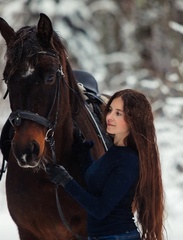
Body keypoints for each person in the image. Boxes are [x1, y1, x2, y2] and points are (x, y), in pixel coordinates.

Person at [46, 89, 165, 240]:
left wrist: (65, 181)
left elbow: (100, 209)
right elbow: (96, 183)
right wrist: (84, 155)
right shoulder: (116, 151)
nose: (109, 117)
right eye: (110, 110)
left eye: (118, 113)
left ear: (133, 119)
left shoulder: (129, 160)